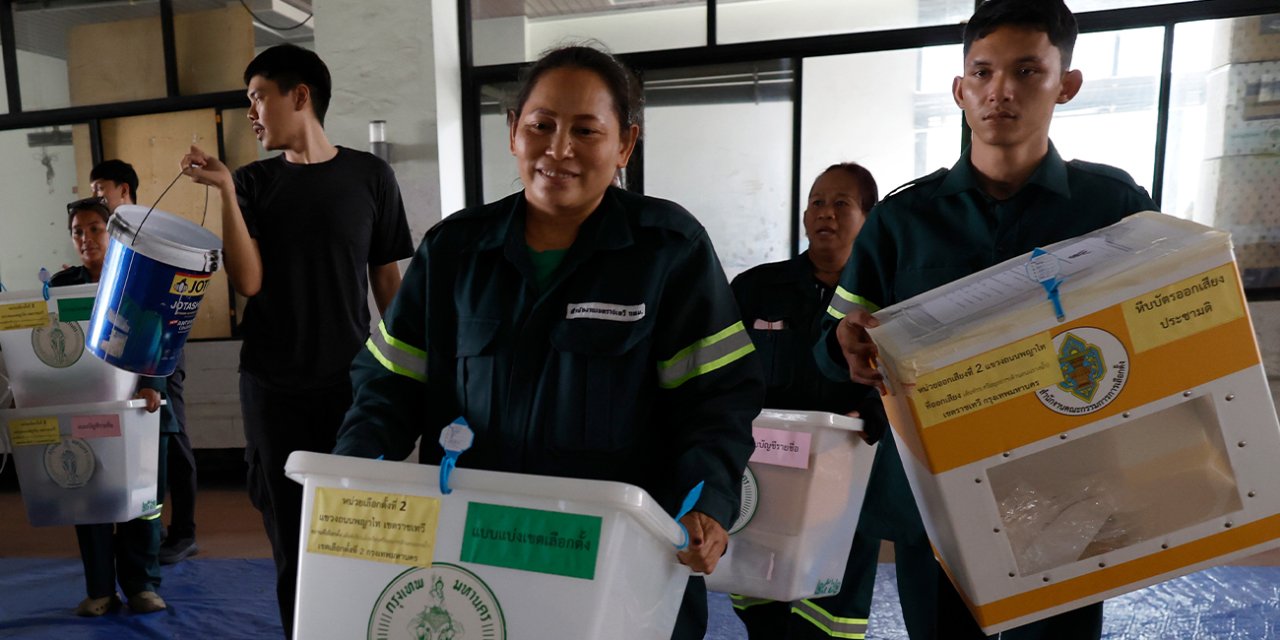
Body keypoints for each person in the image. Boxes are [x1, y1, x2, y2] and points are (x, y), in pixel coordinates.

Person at [331, 45, 763, 640]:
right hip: (478, 556)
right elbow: (389, 383)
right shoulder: (455, 251)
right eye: (541, 125)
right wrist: (356, 474)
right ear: (514, 131)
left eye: (586, 130)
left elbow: (717, 399)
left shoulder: (668, 251)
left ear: (625, 145)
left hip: (621, 558)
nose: (559, 149)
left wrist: (706, 500)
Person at [816, 1, 1159, 638]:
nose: (1000, 90)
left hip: (1070, 490)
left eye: (1027, 71)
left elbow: (1156, 326)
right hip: (935, 499)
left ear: (1067, 84)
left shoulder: (1113, 207)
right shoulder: (902, 220)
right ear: (959, 90)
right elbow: (833, 340)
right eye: (982, 72)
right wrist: (847, 345)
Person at [180, 44, 413, 637]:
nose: (251, 112)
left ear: (300, 95)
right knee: (290, 536)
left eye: (258, 97)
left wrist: (413, 371)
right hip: (272, 387)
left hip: (349, 386)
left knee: (357, 530)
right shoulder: (253, 183)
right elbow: (249, 282)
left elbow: (388, 283)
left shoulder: (371, 177)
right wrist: (225, 191)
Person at [729, 162, 893, 640]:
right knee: (761, 604)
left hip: (844, 479)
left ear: (868, 218)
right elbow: (724, 373)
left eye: (842, 203)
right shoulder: (756, 289)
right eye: (817, 202)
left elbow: (908, 380)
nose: (826, 213)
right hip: (765, 473)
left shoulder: (886, 299)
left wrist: (874, 413)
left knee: (831, 612)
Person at [52, 197, 171, 616]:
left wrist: (153, 385)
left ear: (113, 233)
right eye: (77, 232)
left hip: (140, 408)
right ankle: (101, 589)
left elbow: (163, 331)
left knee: (143, 503)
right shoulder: (62, 286)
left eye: (94, 229)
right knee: (90, 501)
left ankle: (142, 587)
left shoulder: (141, 275)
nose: (86, 238)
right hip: (86, 410)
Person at [89, 159, 199, 565]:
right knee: (129, 443)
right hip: (116, 349)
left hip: (158, 345)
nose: (97, 197)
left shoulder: (149, 230)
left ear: (124, 190)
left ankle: (184, 532)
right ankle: (146, 530)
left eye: (101, 190)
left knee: (171, 434)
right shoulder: (107, 231)